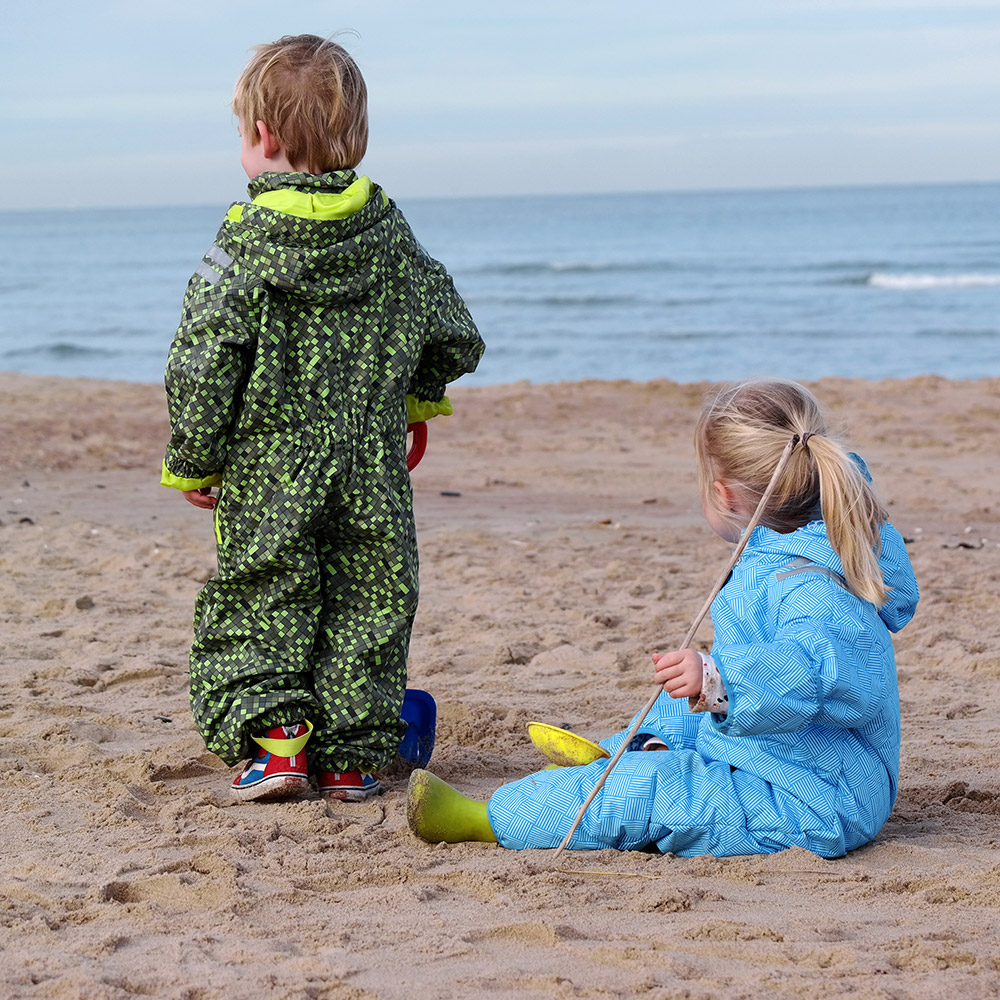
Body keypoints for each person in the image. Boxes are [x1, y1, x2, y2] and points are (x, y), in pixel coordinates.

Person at [161, 34, 484, 804]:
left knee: (263, 592)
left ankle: (278, 750)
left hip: (272, 464)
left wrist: (197, 456)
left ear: (260, 138)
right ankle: (349, 760)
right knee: (369, 598)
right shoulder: (388, 232)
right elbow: (453, 330)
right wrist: (410, 397)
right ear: (356, 137)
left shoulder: (245, 243)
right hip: (370, 464)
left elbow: (203, 356)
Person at [407, 378, 919, 858]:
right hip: (777, 747)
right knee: (677, 711)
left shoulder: (809, 582)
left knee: (653, 793)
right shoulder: (790, 544)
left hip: (813, 798)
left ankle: (489, 819)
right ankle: (631, 748)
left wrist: (720, 678)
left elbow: (823, 671)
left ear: (724, 494)